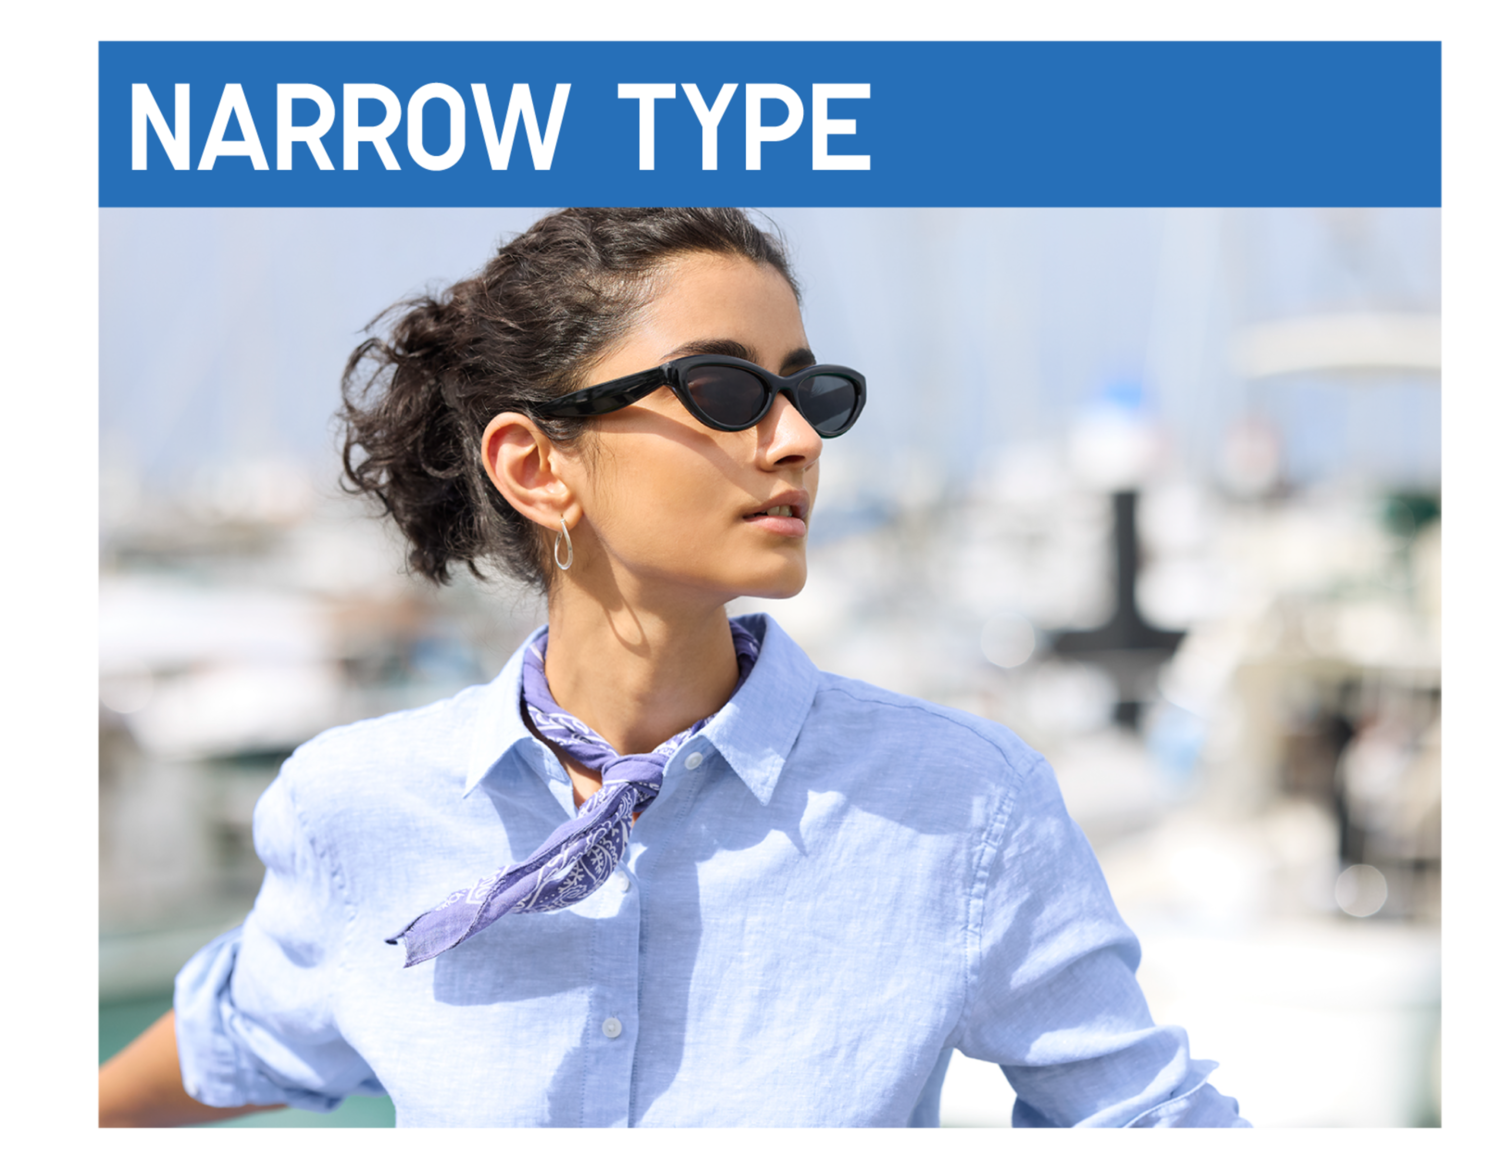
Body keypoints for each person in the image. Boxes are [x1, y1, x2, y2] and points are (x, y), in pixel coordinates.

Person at [96, 207, 1249, 1129]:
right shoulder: (360, 808)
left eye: (808, 392)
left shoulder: (960, 807)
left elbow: (1144, 1112)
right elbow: (229, 1044)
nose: (796, 438)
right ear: (535, 466)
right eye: (726, 390)